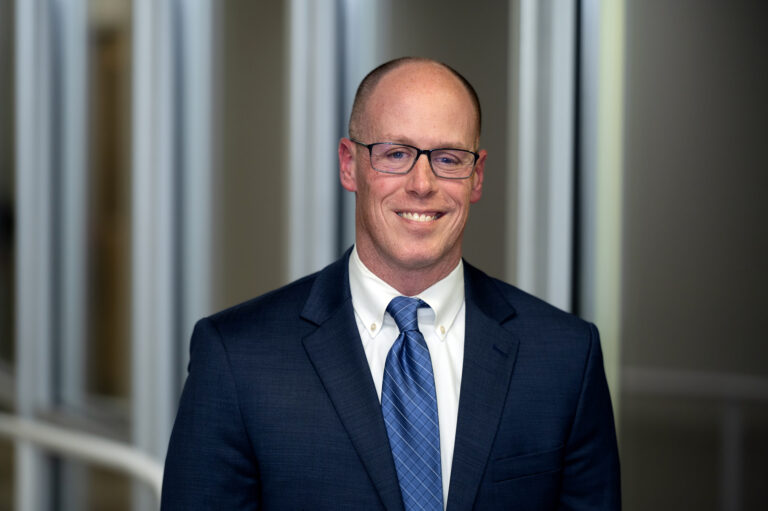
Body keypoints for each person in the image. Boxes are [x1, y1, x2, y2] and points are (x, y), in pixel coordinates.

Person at [161, 57, 620, 510]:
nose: (422, 183)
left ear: (476, 175)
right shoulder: (237, 357)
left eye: (448, 158)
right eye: (396, 154)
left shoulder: (565, 358)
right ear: (349, 164)